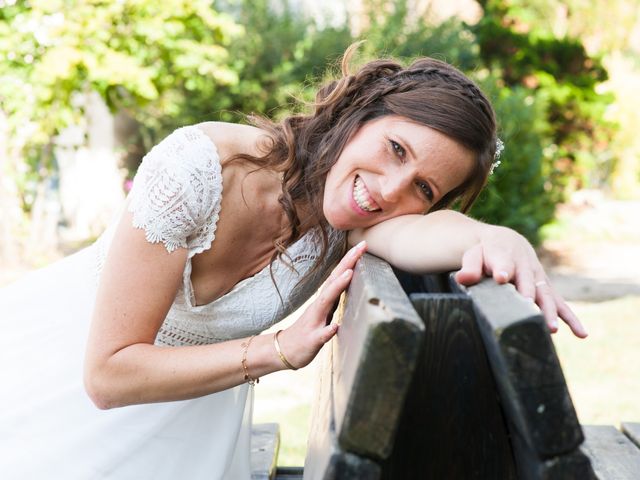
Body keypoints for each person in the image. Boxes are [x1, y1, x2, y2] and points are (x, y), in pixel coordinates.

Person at [0, 45, 587, 479]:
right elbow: (105, 376)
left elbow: (422, 236)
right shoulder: (199, 170)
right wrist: (277, 351)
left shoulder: (352, 219)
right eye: (396, 149)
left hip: (185, 424)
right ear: (360, 112)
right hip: (63, 379)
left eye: (425, 189)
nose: (389, 189)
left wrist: (506, 241)